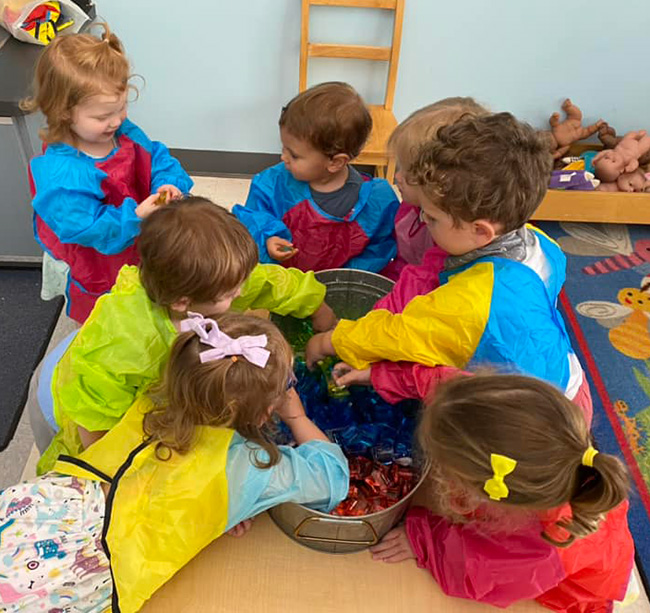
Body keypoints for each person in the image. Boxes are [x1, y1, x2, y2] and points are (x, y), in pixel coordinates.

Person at [0, 312, 349, 613]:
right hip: (72, 576)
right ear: (262, 413)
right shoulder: (249, 466)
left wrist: (219, 511)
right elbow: (332, 478)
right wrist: (298, 417)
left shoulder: (151, 398)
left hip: (37, 509)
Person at [306, 113, 593, 423]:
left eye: (432, 217)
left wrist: (333, 341)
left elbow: (401, 334)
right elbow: (431, 271)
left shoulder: (471, 303)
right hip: (567, 387)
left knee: (448, 444)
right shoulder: (539, 243)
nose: (424, 222)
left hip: (528, 423)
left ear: (481, 230)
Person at [33, 197, 337, 473]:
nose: (242, 292)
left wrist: (319, 309)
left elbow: (269, 283)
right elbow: (93, 423)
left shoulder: (211, 278)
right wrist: (115, 473)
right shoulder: (132, 341)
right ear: (182, 302)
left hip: (111, 375)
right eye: (231, 293)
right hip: (73, 401)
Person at [370, 373, 634, 612]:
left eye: (446, 468)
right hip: (584, 552)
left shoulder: (540, 549)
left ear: (488, 490)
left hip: (568, 596)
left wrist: (422, 539)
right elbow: (468, 404)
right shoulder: (545, 447)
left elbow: (474, 572)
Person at [22, 25, 192, 323]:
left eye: (122, 107)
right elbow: (85, 228)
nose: (117, 120)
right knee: (109, 316)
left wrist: (166, 182)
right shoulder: (62, 174)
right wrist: (136, 216)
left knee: (144, 294)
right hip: (99, 260)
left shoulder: (124, 133)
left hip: (137, 242)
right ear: (63, 112)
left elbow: (156, 156)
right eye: (103, 116)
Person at [232, 82, 399, 273]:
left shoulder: (376, 203)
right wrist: (268, 238)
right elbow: (252, 217)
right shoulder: (273, 184)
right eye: (283, 148)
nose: (283, 157)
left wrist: (342, 278)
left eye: (294, 155)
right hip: (286, 285)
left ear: (335, 162)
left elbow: (380, 249)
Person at [381, 96, 488, 281]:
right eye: (400, 167)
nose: (397, 177)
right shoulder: (410, 208)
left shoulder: (454, 236)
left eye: (410, 174)